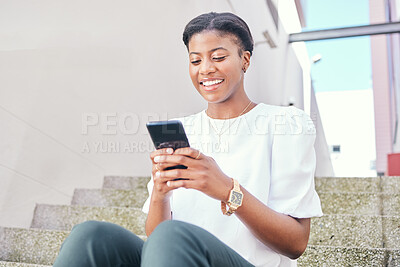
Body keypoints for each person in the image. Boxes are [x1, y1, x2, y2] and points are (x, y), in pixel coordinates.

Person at [53, 12, 322, 267]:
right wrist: (161, 192)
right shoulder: (180, 130)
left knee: (174, 236)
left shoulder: (286, 123)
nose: (205, 69)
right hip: (175, 255)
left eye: (218, 57)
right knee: (90, 236)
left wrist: (229, 191)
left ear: (245, 60)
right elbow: (156, 238)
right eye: (195, 61)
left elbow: (295, 241)